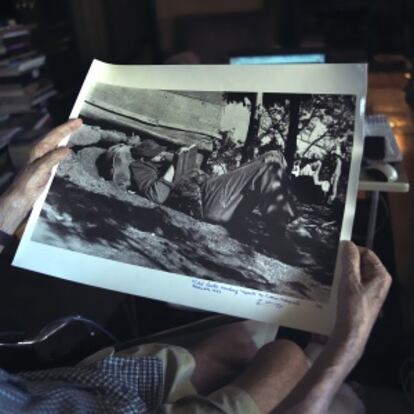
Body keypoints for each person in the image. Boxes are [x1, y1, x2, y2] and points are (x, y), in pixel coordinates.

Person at [0, 120, 392, 413]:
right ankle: (292, 228)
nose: (145, 142)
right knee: (287, 355)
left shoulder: (166, 157)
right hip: (199, 202)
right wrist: (347, 346)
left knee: (241, 339)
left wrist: (13, 203)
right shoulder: (131, 160)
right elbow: (148, 190)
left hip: (67, 385)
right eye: (138, 140)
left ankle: (289, 226)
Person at [103, 140, 296, 232]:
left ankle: (285, 220)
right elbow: (155, 196)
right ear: (145, 157)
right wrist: (173, 166)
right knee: (269, 165)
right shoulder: (140, 167)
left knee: (274, 156)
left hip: (214, 194)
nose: (162, 155)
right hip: (205, 201)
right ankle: (279, 226)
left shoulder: (159, 160)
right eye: (157, 154)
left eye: (161, 152)